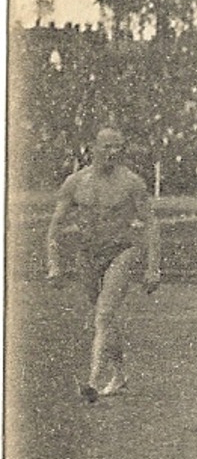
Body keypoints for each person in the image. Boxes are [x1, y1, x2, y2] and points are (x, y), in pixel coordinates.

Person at [45, 127, 161, 401]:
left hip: (121, 251)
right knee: (103, 318)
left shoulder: (132, 183)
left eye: (119, 147)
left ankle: (93, 381)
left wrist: (152, 267)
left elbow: (151, 224)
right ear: (93, 148)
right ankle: (119, 373)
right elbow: (55, 226)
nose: (113, 153)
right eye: (107, 147)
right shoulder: (75, 182)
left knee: (104, 315)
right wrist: (53, 264)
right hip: (87, 255)